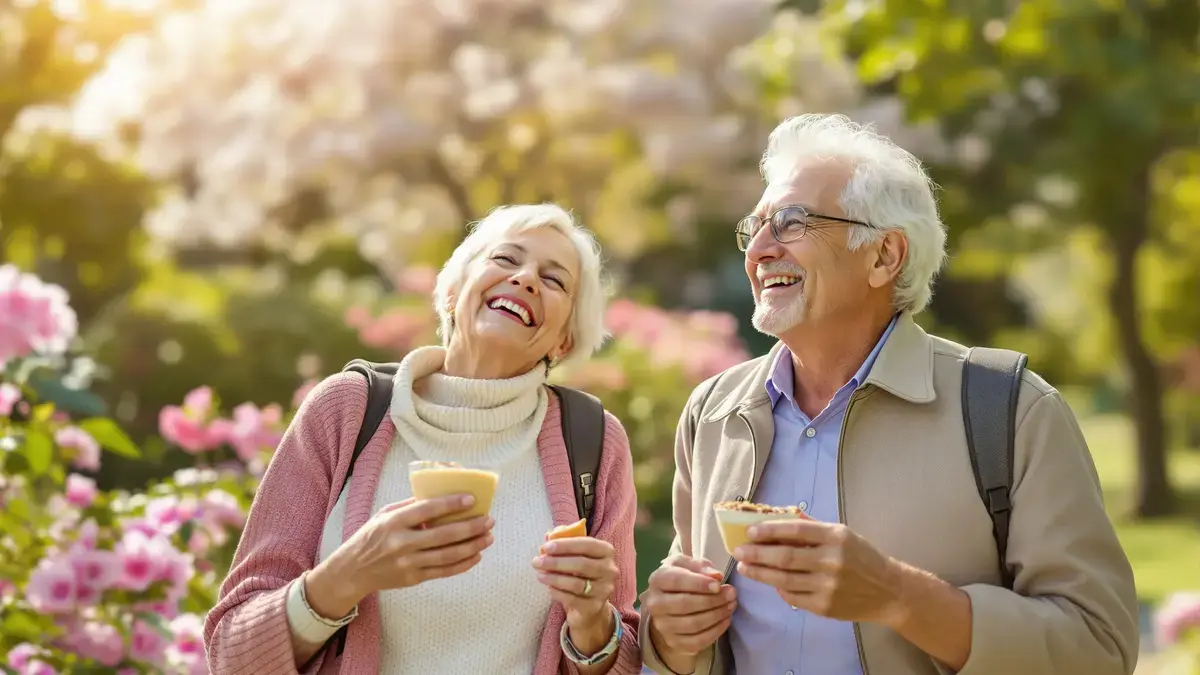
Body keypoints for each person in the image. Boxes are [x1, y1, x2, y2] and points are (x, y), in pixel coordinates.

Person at [639, 114, 1139, 675]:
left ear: (884, 256)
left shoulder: (1014, 411)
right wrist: (669, 634)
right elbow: (677, 629)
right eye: (753, 227)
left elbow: (1099, 649)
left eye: (791, 222)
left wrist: (898, 597)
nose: (758, 249)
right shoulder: (713, 412)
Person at [204, 204, 642, 675]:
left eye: (554, 280)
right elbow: (232, 654)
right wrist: (346, 576)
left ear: (564, 341)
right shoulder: (345, 411)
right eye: (505, 259)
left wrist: (593, 623)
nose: (526, 279)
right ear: (453, 292)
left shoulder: (595, 442)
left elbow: (627, 654)